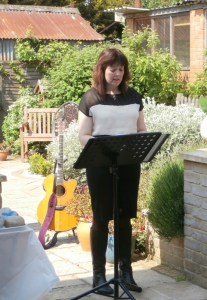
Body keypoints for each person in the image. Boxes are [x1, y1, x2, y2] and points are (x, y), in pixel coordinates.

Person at [78, 48, 147, 295]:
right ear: (102, 70)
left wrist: (135, 146)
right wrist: (104, 149)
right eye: (112, 69)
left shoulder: (134, 97)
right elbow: (83, 135)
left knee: (125, 216)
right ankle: (98, 277)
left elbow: (141, 131)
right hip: (99, 165)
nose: (117, 74)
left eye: (121, 69)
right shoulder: (90, 98)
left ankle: (126, 273)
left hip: (128, 165)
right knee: (101, 217)